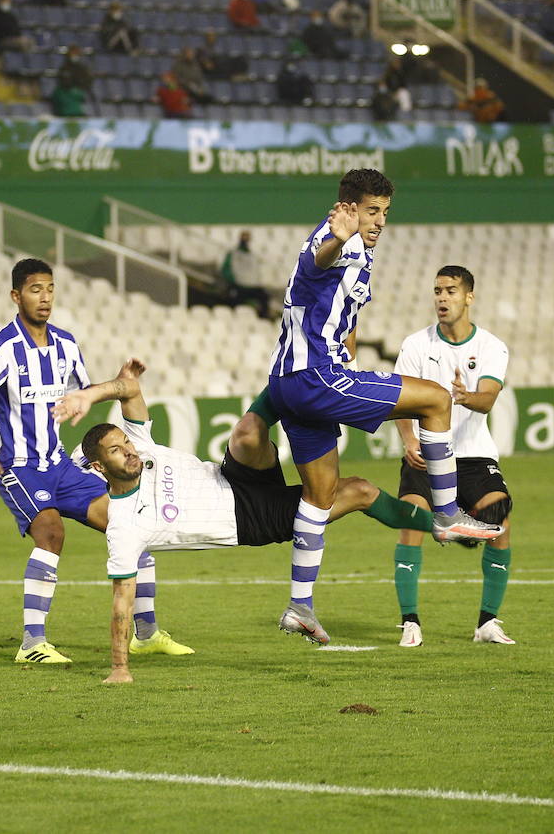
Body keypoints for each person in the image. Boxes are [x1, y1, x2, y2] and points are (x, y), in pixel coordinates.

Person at [57, 363, 500, 682]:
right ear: (99, 468)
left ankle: (300, 384)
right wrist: (119, 668)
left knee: (249, 432)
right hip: (250, 520)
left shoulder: (138, 441)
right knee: (360, 491)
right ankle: (440, 526)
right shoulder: (123, 525)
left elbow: (129, 389)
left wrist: (93, 394)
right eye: (116, 451)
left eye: (124, 443)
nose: (129, 451)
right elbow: (120, 600)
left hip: (234, 475)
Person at [262, 171, 501, 644]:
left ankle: (300, 606)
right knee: (434, 399)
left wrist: (344, 337)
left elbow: (333, 309)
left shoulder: (360, 251)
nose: (380, 221)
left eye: (385, 212)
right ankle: (449, 513)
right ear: (348, 207)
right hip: (315, 379)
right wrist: (338, 235)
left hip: (290, 383)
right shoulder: (334, 238)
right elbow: (317, 261)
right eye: (372, 210)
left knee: (320, 496)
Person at [0, 259, 193, 666]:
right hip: (20, 467)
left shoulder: (65, 345)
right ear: (16, 296)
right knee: (50, 532)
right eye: (34, 289)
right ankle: (31, 643)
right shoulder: (3, 348)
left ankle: (147, 634)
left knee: (133, 524)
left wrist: (116, 383)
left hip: (61, 465)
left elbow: (85, 395)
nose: (44, 297)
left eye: (49, 288)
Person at [390, 266, 517, 647]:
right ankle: (410, 622)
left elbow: (489, 399)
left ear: (469, 297)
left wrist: (464, 397)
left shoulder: (492, 347)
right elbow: (398, 400)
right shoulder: (416, 345)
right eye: (437, 291)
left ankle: (487, 623)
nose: (442, 298)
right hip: (427, 454)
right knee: (412, 518)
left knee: (502, 521)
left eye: (450, 291)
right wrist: (409, 440)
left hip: (474, 456)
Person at [221, 231, 269, 316]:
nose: (245, 240)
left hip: (251, 286)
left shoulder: (251, 255)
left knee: (265, 296)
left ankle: (263, 317)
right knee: (232, 299)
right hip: (239, 286)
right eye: (244, 238)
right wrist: (233, 281)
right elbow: (225, 270)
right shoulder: (233, 254)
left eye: (247, 238)